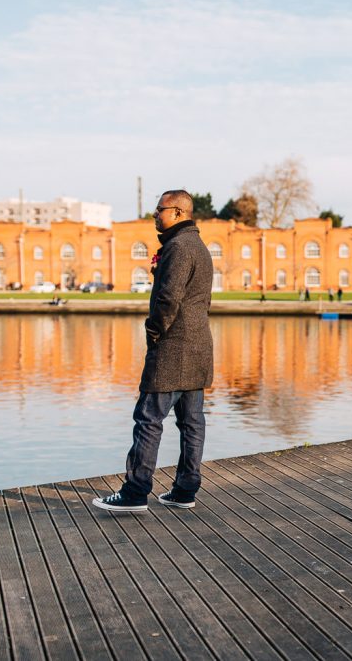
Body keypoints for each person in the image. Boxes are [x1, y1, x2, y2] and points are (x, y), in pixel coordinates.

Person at [93, 190, 214, 513]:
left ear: (176, 212)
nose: (154, 216)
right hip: (199, 347)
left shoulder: (178, 247)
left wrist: (154, 332)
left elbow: (168, 299)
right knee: (192, 422)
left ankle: (135, 491)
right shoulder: (199, 247)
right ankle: (185, 489)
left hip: (173, 349)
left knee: (148, 418)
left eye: (159, 211)